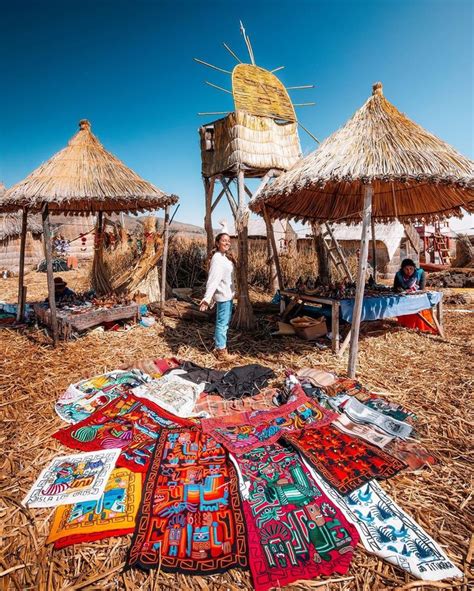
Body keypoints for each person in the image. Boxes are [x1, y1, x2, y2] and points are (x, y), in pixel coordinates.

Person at [199, 233, 236, 361]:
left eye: (228, 241)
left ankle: (219, 345)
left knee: (223, 322)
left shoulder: (224, 257)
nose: (227, 243)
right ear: (217, 243)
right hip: (223, 296)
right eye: (224, 241)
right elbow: (213, 279)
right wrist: (207, 298)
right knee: (222, 324)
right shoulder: (217, 259)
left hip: (228, 295)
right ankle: (221, 351)